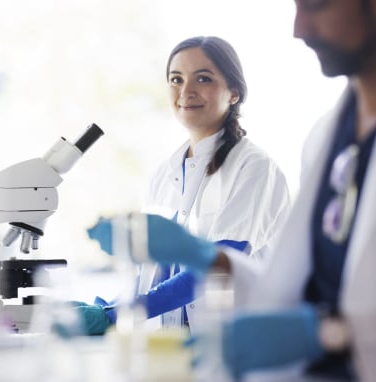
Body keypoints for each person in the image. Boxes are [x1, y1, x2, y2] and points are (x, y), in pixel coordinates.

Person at [90, 0, 376, 380]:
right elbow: (289, 291)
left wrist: (329, 333)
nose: (299, 28)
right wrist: (204, 258)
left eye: (316, 5)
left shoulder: (255, 166)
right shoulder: (326, 138)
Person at [83, 36, 290, 334]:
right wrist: (105, 309)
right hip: (181, 344)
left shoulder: (253, 167)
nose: (186, 91)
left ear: (234, 93)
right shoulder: (165, 174)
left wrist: (117, 315)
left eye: (202, 78)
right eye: (176, 79)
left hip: (246, 342)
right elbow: (153, 277)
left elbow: (218, 264)